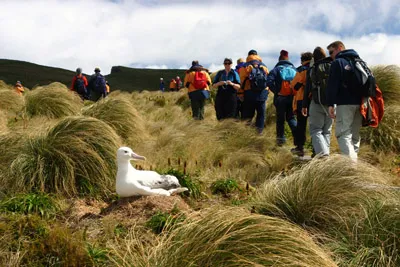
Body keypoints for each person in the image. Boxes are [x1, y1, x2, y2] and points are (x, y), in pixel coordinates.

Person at [326, 41, 363, 161]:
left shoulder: (338, 62)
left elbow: (332, 85)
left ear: (340, 48)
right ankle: (355, 164)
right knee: (355, 136)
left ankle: (352, 167)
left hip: (345, 103)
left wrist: (331, 104)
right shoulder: (360, 61)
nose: (331, 55)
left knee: (343, 134)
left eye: (332, 52)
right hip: (361, 103)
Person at [302, 47, 333, 157]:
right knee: (327, 131)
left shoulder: (312, 68)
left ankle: (324, 155)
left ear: (314, 58)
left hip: (316, 102)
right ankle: (326, 154)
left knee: (316, 130)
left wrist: (304, 105)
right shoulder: (332, 65)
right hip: (331, 104)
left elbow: (307, 88)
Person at [266, 50, 297, 146]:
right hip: (292, 98)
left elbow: (269, 81)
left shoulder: (276, 70)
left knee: (280, 120)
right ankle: (299, 138)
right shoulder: (295, 69)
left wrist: (276, 91)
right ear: (288, 59)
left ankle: (280, 141)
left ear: (279, 59)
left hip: (280, 98)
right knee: (291, 118)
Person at [239, 50, 269, 134]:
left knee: (248, 115)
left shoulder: (244, 67)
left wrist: (241, 93)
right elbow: (268, 80)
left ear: (248, 56)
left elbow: (242, 82)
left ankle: (246, 133)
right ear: (257, 55)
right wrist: (267, 92)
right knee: (261, 114)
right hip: (262, 93)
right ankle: (259, 133)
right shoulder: (264, 66)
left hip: (249, 93)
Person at [290, 52, 313, 156]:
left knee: (301, 125)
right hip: (315, 100)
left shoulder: (302, 69)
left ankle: (300, 148)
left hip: (301, 100)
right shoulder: (316, 68)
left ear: (302, 60)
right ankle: (316, 150)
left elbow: (294, 86)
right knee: (316, 126)